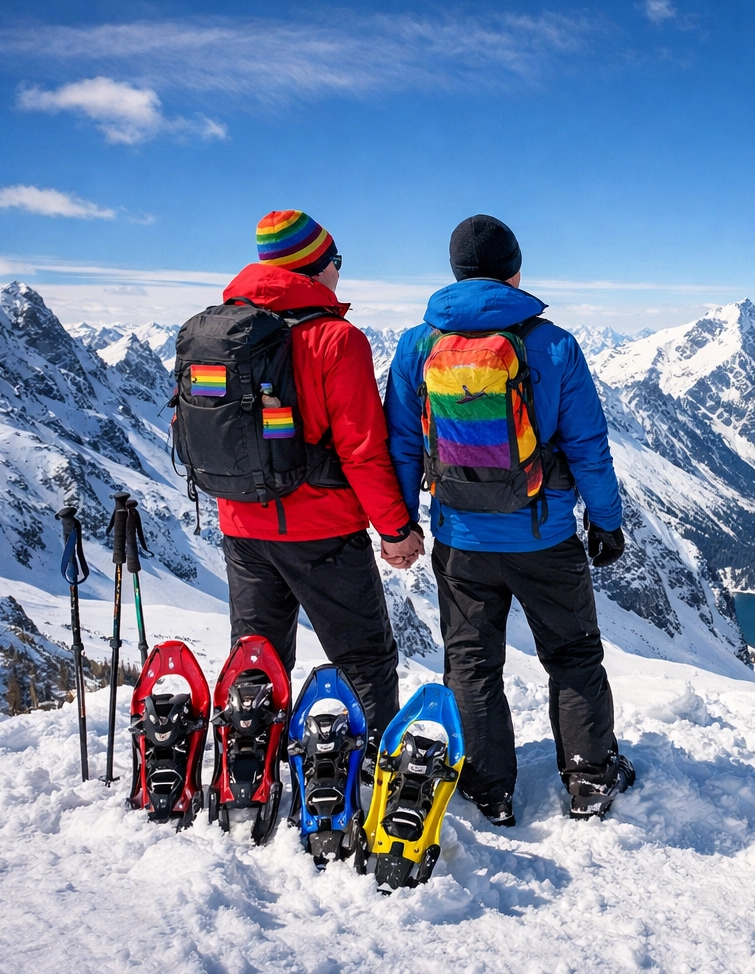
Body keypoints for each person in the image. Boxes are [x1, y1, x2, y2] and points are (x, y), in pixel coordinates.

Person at [384, 215, 633, 827]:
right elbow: (588, 447)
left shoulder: (419, 346)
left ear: (455, 272)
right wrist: (606, 522)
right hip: (543, 535)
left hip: (459, 539)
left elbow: (400, 445)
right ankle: (590, 778)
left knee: (471, 664)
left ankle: (489, 788)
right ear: (515, 271)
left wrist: (401, 524)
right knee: (573, 655)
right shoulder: (553, 345)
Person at [217, 210, 423, 748]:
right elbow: (362, 450)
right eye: (336, 261)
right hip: (323, 532)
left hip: (242, 524)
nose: (340, 272)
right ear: (314, 267)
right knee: (364, 659)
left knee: (257, 658)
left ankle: (250, 770)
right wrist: (396, 529)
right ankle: (372, 772)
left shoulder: (218, 332)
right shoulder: (336, 339)